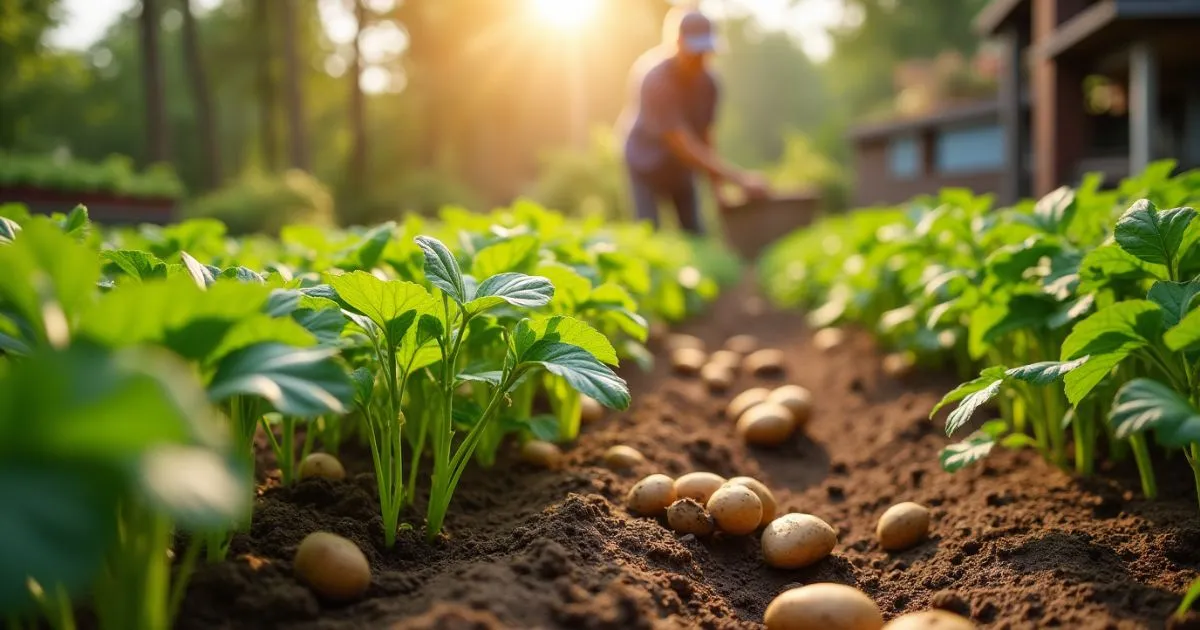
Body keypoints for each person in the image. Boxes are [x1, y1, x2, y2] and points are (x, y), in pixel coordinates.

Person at [619, 7, 770, 234]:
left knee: (694, 232)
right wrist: (739, 179)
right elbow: (681, 144)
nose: (699, 59)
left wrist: (718, 191)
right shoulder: (656, 81)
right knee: (649, 232)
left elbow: (706, 137)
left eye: (704, 52)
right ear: (678, 43)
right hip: (645, 163)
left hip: (680, 168)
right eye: (694, 52)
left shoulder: (709, 85)